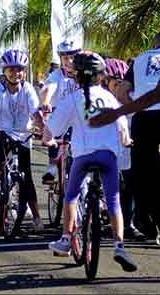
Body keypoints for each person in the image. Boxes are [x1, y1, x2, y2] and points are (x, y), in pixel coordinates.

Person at [45, 51, 138, 272]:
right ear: (100, 76)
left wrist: (48, 139)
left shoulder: (73, 99)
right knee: (114, 200)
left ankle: (66, 238)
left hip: (84, 156)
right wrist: (126, 140)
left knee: (71, 194)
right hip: (108, 156)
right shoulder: (110, 98)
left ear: (76, 76)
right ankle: (119, 246)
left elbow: (53, 129)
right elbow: (122, 126)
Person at [90, 33, 160, 241]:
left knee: (140, 171)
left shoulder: (140, 60)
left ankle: (142, 216)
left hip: (144, 118)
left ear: (154, 43)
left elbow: (122, 93)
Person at [0, 49, 45, 235]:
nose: (15, 74)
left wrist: (41, 125)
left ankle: (36, 218)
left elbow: (35, 110)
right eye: (11, 70)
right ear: (4, 71)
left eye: (19, 70)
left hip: (23, 135)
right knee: (0, 145)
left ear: (24, 71)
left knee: (27, 177)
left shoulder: (28, 89)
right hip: (2, 132)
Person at [39, 40, 81, 184]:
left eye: (72, 57)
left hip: (79, 117)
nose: (69, 61)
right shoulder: (57, 75)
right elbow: (48, 88)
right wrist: (45, 102)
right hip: (60, 117)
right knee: (53, 131)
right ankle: (51, 166)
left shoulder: (83, 74)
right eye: (65, 58)